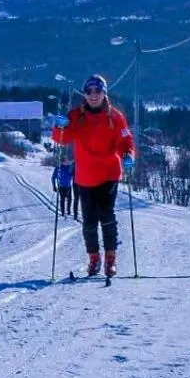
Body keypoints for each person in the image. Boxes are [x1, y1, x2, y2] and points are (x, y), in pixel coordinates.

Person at [50, 74, 133, 277]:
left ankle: (110, 260)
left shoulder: (115, 117)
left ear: (104, 93)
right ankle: (94, 259)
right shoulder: (76, 116)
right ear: (84, 94)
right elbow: (61, 139)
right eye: (89, 91)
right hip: (85, 177)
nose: (93, 95)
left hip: (109, 173)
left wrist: (128, 154)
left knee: (106, 215)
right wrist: (59, 126)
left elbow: (126, 140)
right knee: (88, 222)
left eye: (98, 91)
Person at [52, 153, 75, 217]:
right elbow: (53, 177)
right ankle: (62, 211)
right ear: (62, 161)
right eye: (64, 160)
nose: (66, 162)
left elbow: (74, 175)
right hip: (61, 186)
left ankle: (68, 211)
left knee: (69, 199)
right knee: (62, 199)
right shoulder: (59, 168)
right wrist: (54, 186)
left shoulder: (70, 167)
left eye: (66, 160)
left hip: (68, 186)